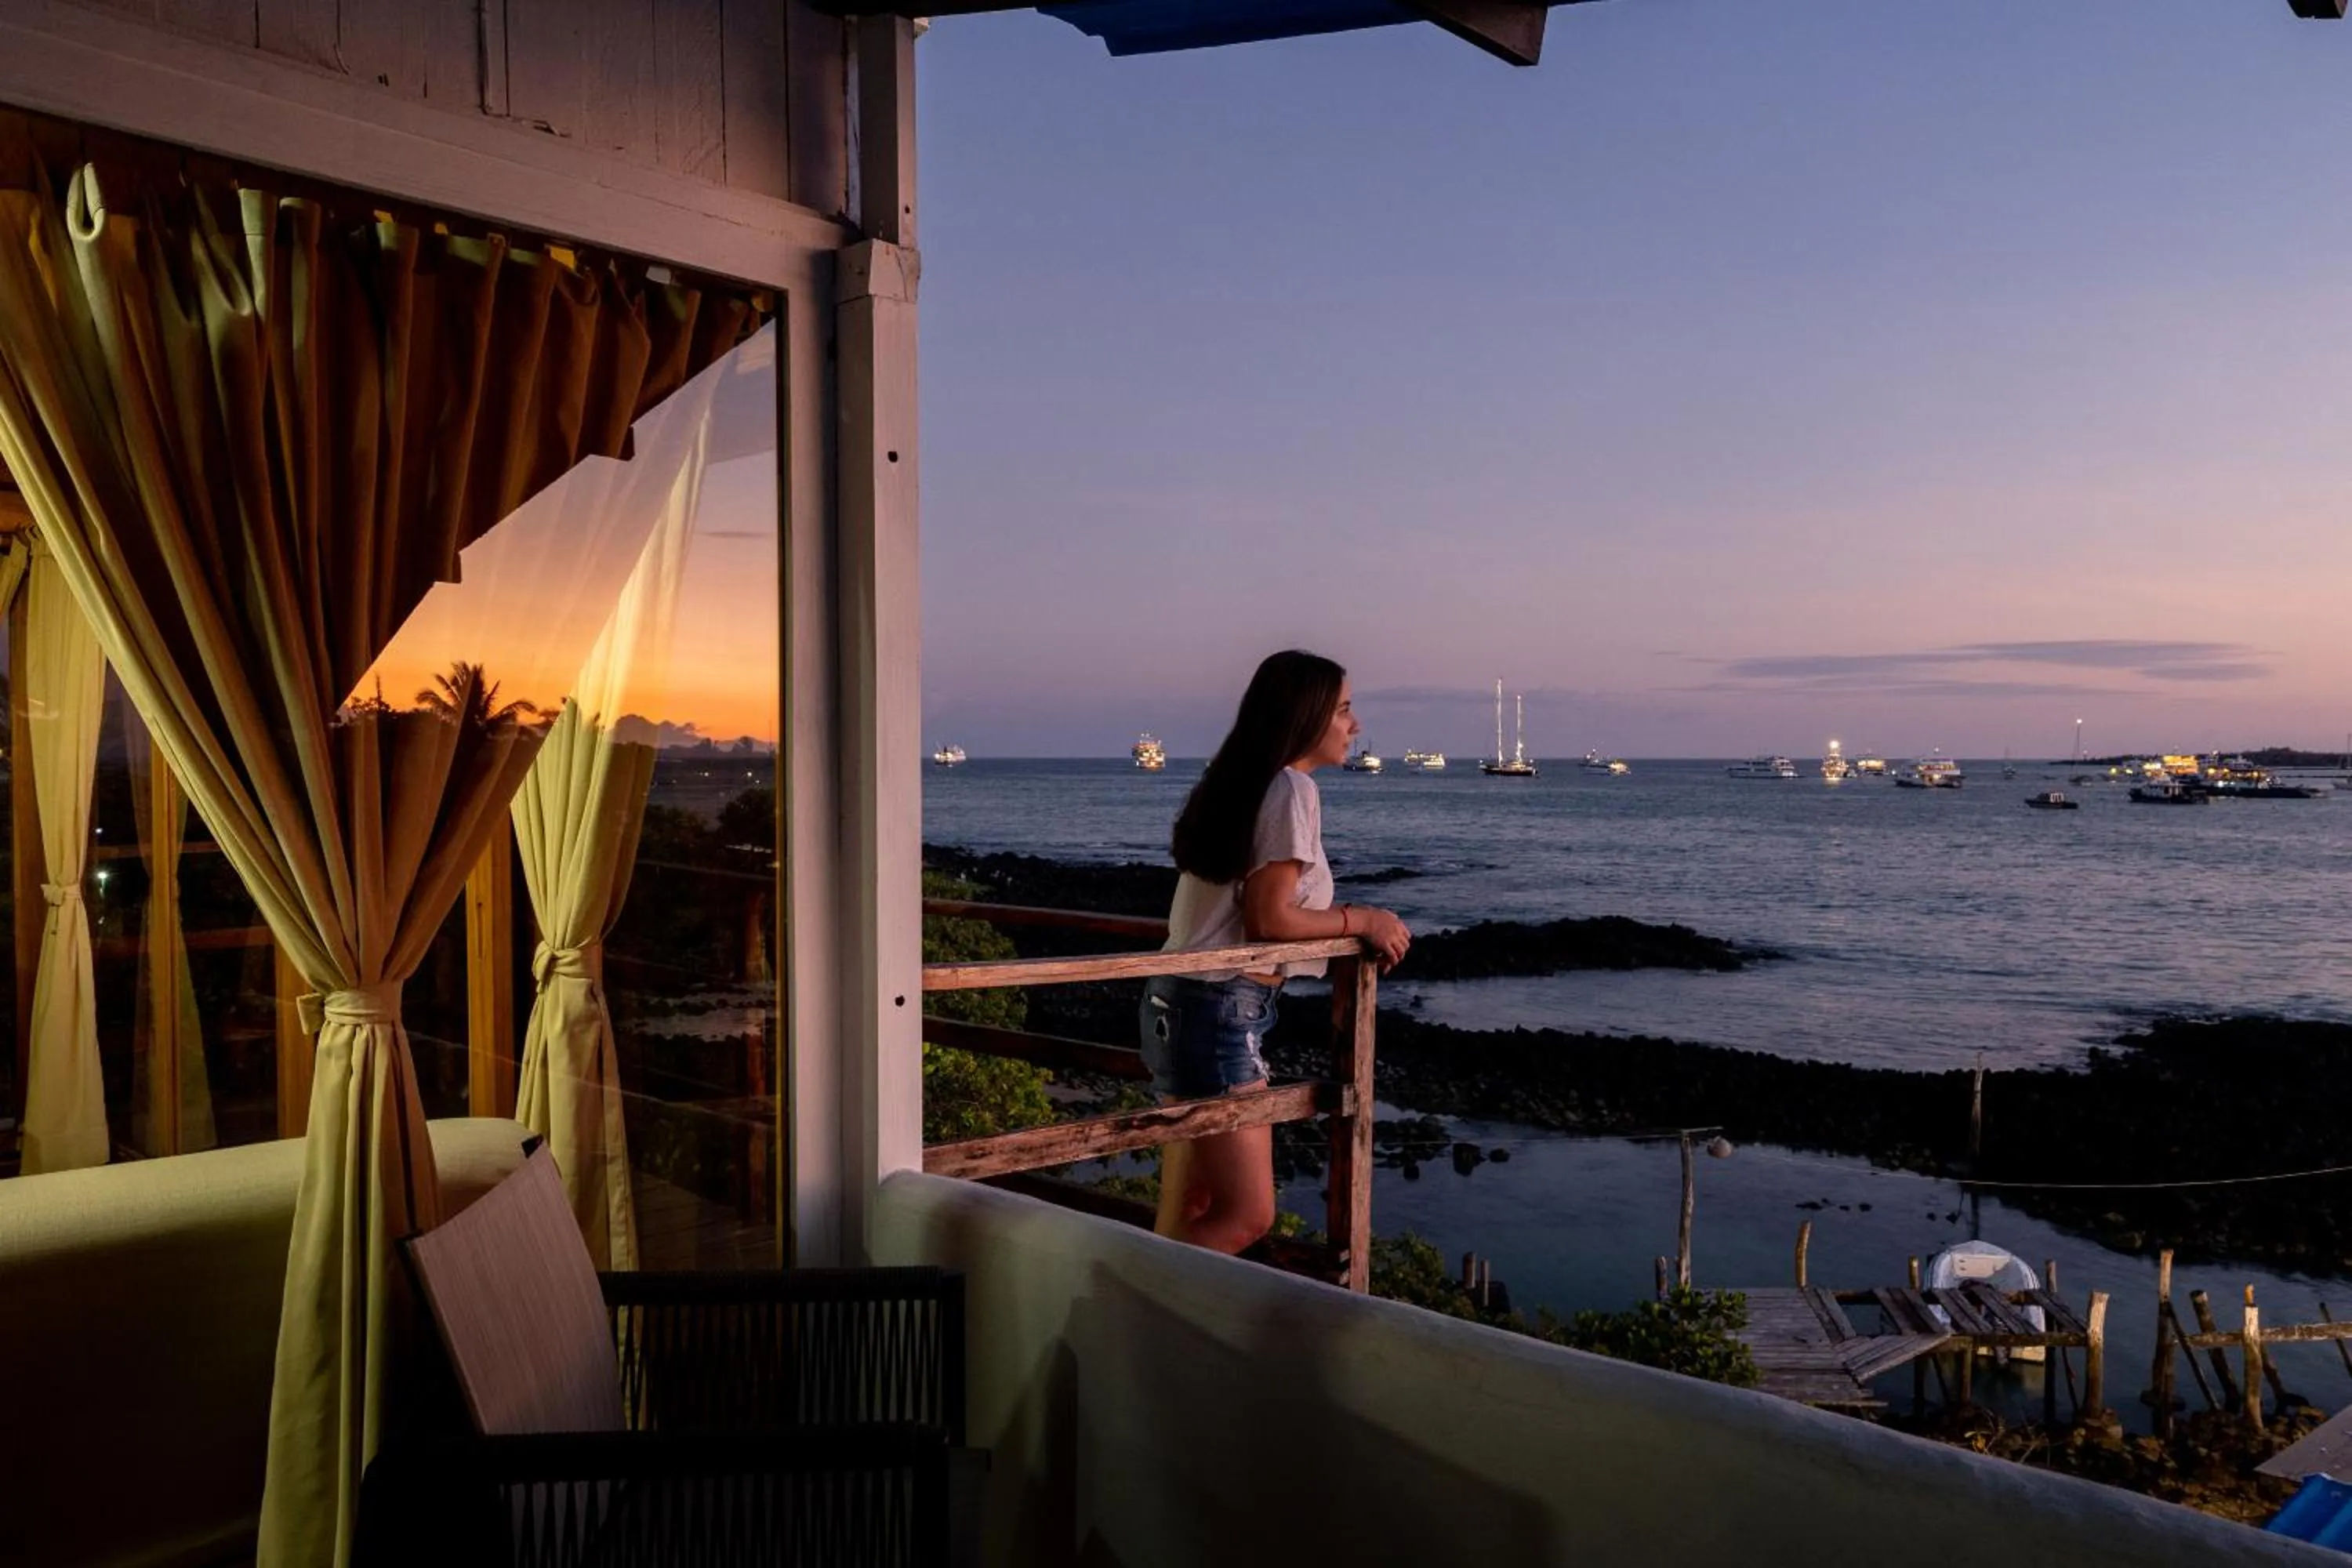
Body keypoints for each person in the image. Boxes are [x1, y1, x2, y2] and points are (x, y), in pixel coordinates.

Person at [1140, 650, 1411, 1254]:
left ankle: (1143, 1332)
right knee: (1247, 1215)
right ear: (1307, 715)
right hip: (1219, 1012)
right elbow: (1270, 917)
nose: (1355, 724)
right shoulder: (1290, 787)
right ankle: (1120, 1318)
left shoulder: (1238, 780)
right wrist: (1363, 920)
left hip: (1175, 1000)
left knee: (1192, 1207)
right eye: (1343, 708)